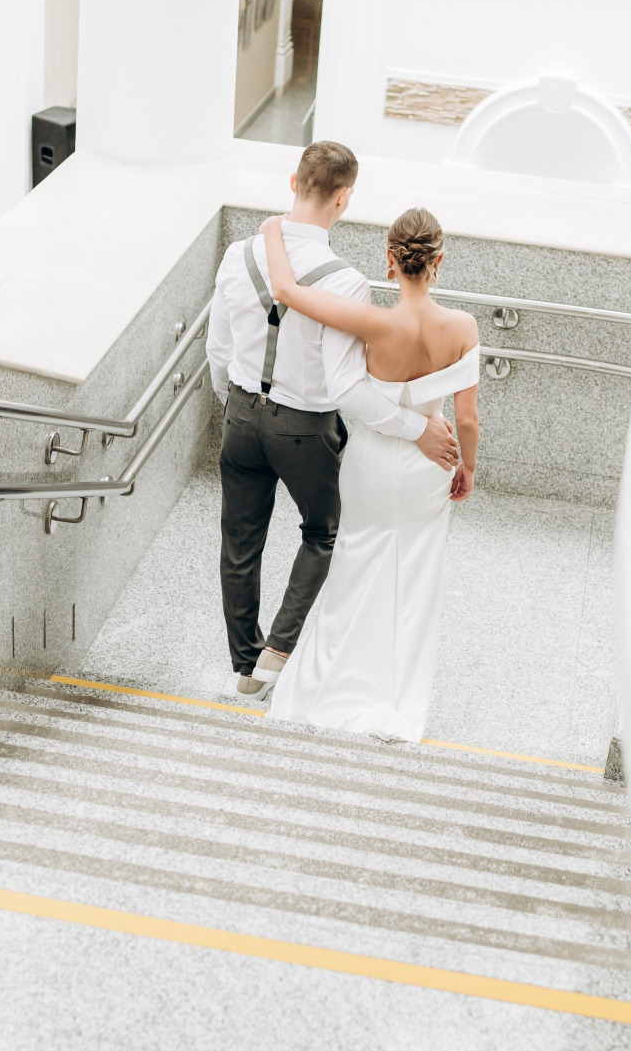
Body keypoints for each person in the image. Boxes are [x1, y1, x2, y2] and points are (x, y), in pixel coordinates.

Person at [206, 142, 460, 700]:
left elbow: (218, 350)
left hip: (242, 416)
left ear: (293, 181)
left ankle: (244, 663)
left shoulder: (237, 255)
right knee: (324, 531)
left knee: (239, 541)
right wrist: (417, 429)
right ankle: (278, 651)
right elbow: (346, 387)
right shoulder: (345, 282)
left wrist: (236, 404)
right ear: (344, 198)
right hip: (305, 428)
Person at [259, 206, 480, 743]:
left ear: (390, 260)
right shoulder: (463, 327)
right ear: (438, 261)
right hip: (433, 464)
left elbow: (286, 290)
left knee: (354, 567)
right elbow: (468, 419)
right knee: (415, 581)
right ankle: (398, 692)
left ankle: (324, 680)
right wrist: (466, 468)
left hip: (371, 466)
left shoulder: (372, 322)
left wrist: (272, 230)